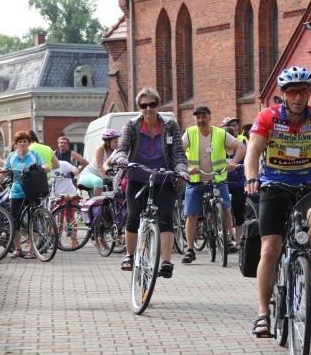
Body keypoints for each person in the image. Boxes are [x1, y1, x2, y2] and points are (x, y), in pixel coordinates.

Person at [244, 65, 311, 337]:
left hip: (306, 184)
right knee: (270, 249)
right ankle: (263, 313)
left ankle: (310, 261)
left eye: (303, 91)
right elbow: (253, 151)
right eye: (292, 92)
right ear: (283, 94)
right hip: (273, 185)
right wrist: (251, 177)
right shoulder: (267, 117)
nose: (298, 97)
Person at [105, 87, 189, 277]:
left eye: (152, 104)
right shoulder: (131, 126)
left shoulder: (170, 126)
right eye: (143, 105)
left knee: (166, 216)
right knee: (133, 216)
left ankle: (166, 262)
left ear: (158, 105)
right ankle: (129, 255)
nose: (148, 109)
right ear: (139, 107)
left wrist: (181, 170)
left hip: (164, 178)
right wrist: (121, 160)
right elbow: (122, 147)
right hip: (137, 177)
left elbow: (177, 153)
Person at [181, 106, 246, 264]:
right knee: (191, 215)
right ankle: (190, 249)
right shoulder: (189, 133)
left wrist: (234, 162)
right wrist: (188, 167)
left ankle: (228, 239)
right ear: (195, 119)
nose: (201, 120)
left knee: (227, 209)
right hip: (196, 181)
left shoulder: (220, 133)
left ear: (210, 118)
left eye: (204, 117)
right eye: (198, 118)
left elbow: (241, 147)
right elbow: (178, 152)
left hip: (217, 179)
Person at [0, 131, 51, 259]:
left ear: (28, 143)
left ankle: (32, 250)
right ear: (16, 144)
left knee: (34, 219)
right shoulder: (11, 156)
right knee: (15, 221)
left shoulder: (34, 155)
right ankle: (18, 249)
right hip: (16, 192)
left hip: (32, 190)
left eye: (25, 141)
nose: (22, 144)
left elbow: (47, 166)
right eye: (20, 141)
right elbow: (3, 172)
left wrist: (42, 168)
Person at [222, 117, 248, 251]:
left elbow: (247, 161)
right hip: (224, 183)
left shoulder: (241, 146)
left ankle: (238, 241)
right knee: (226, 211)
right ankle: (227, 240)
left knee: (239, 213)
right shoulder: (219, 148)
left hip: (238, 182)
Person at [79, 129, 119, 197]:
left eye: (118, 142)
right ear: (107, 142)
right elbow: (100, 166)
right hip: (87, 175)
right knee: (98, 181)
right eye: (115, 142)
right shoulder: (100, 149)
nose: (117, 144)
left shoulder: (115, 152)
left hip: (100, 179)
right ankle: (98, 205)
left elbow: (115, 168)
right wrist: (106, 179)